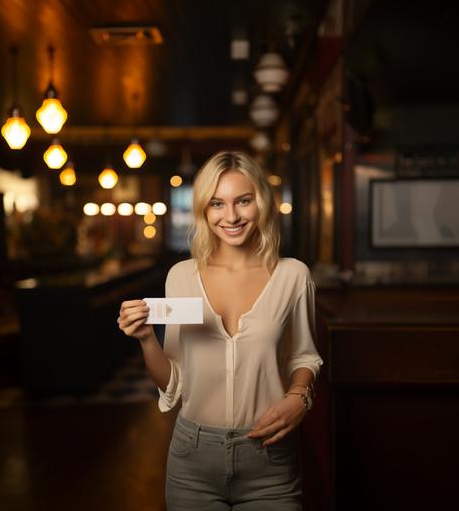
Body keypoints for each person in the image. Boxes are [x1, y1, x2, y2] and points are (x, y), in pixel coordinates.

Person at [118, 151, 323, 510]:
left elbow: (303, 354)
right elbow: (174, 383)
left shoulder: (293, 275)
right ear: (203, 210)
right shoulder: (181, 276)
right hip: (192, 460)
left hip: (269, 460)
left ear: (260, 203)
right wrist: (147, 337)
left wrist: (299, 397)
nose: (230, 216)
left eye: (242, 201)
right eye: (217, 203)